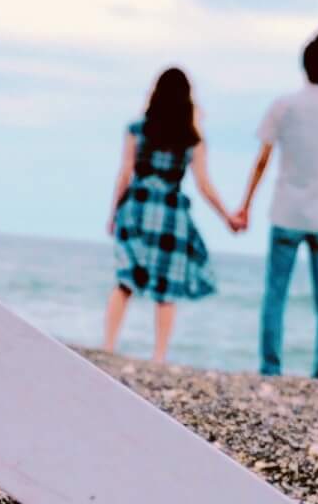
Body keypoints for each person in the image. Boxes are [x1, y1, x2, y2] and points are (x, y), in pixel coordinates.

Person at [234, 30, 318, 380]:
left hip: (287, 210)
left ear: (304, 64)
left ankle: (270, 367)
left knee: (276, 295)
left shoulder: (284, 106)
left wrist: (245, 205)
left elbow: (262, 159)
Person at [104, 67, 244, 363]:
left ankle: (109, 346)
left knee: (126, 280)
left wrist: (113, 213)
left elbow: (125, 174)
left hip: (137, 208)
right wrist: (227, 217)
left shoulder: (136, 129)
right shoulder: (192, 138)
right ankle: (159, 356)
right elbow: (204, 185)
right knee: (166, 290)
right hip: (170, 213)